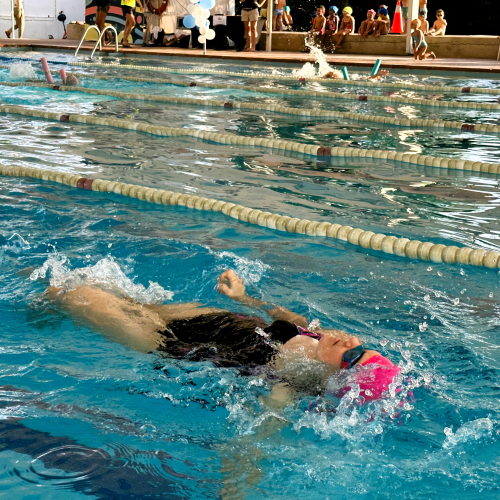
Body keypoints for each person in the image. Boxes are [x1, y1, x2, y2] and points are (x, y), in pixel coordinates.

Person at [45, 269, 400, 401]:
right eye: (362, 346)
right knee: (116, 291)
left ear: (337, 379)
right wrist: (244, 297)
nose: (352, 343)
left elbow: (254, 441)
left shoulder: (288, 384)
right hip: (215, 318)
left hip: (172, 343)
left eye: (354, 356)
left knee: (71, 293)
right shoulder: (325, 338)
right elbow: (289, 317)